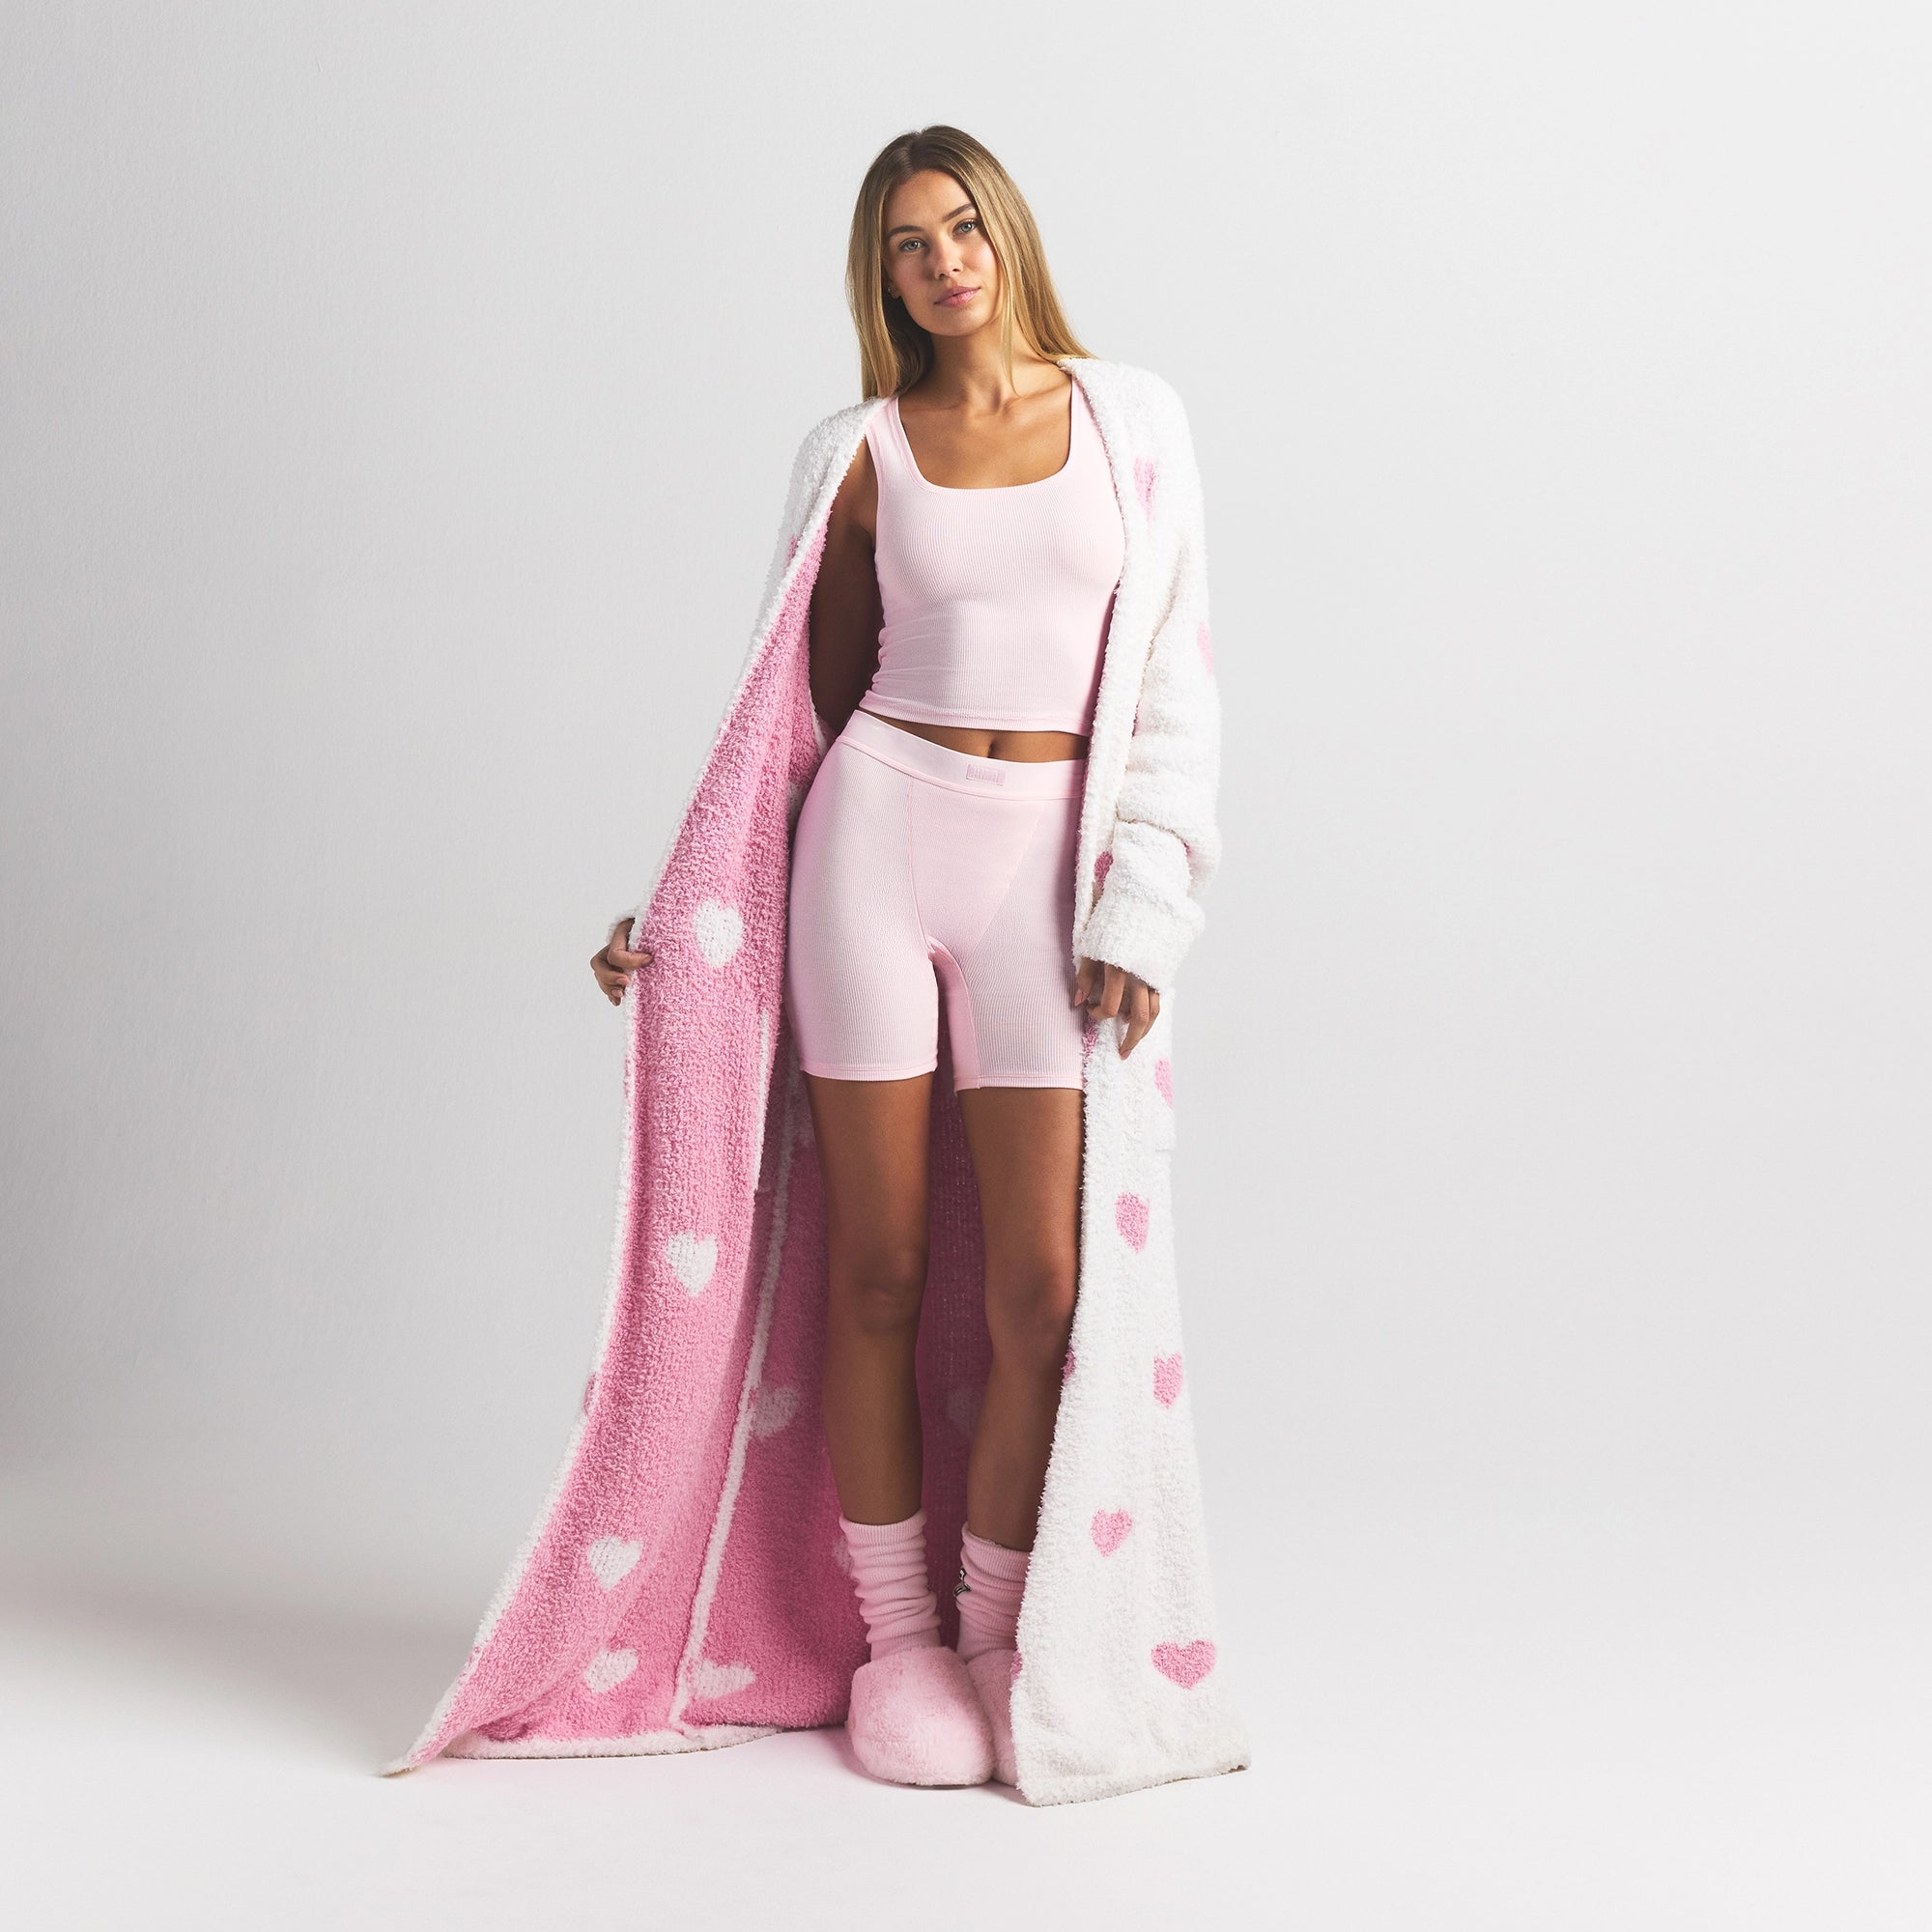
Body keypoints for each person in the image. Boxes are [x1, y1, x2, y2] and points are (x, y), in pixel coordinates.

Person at [586, 126, 1214, 1790]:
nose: (943, 264)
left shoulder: (1135, 421)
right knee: (872, 1269)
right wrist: (682, 914)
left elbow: (1176, 683)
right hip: (874, 841)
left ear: (1009, 233)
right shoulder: (856, 450)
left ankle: (1000, 1632)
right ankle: (898, 1648)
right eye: (906, 247)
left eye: (963, 229)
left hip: (1048, 874)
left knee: (1043, 1287)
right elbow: (785, 708)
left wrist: (1147, 900)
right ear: (881, 279)